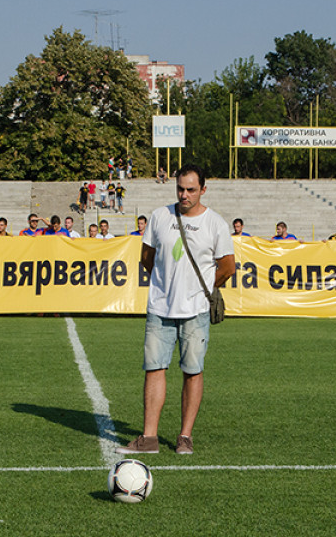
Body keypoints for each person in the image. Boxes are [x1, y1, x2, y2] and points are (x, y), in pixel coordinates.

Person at [116, 164, 235, 456]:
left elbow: (228, 266)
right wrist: (166, 285)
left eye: (191, 190)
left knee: (192, 371)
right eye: (180, 188)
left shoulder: (215, 223)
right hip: (160, 307)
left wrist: (203, 289)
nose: (184, 195)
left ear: (203, 190)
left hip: (196, 311)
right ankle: (149, 438)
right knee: (154, 369)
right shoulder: (159, 216)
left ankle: (185, 437)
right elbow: (147, 257)